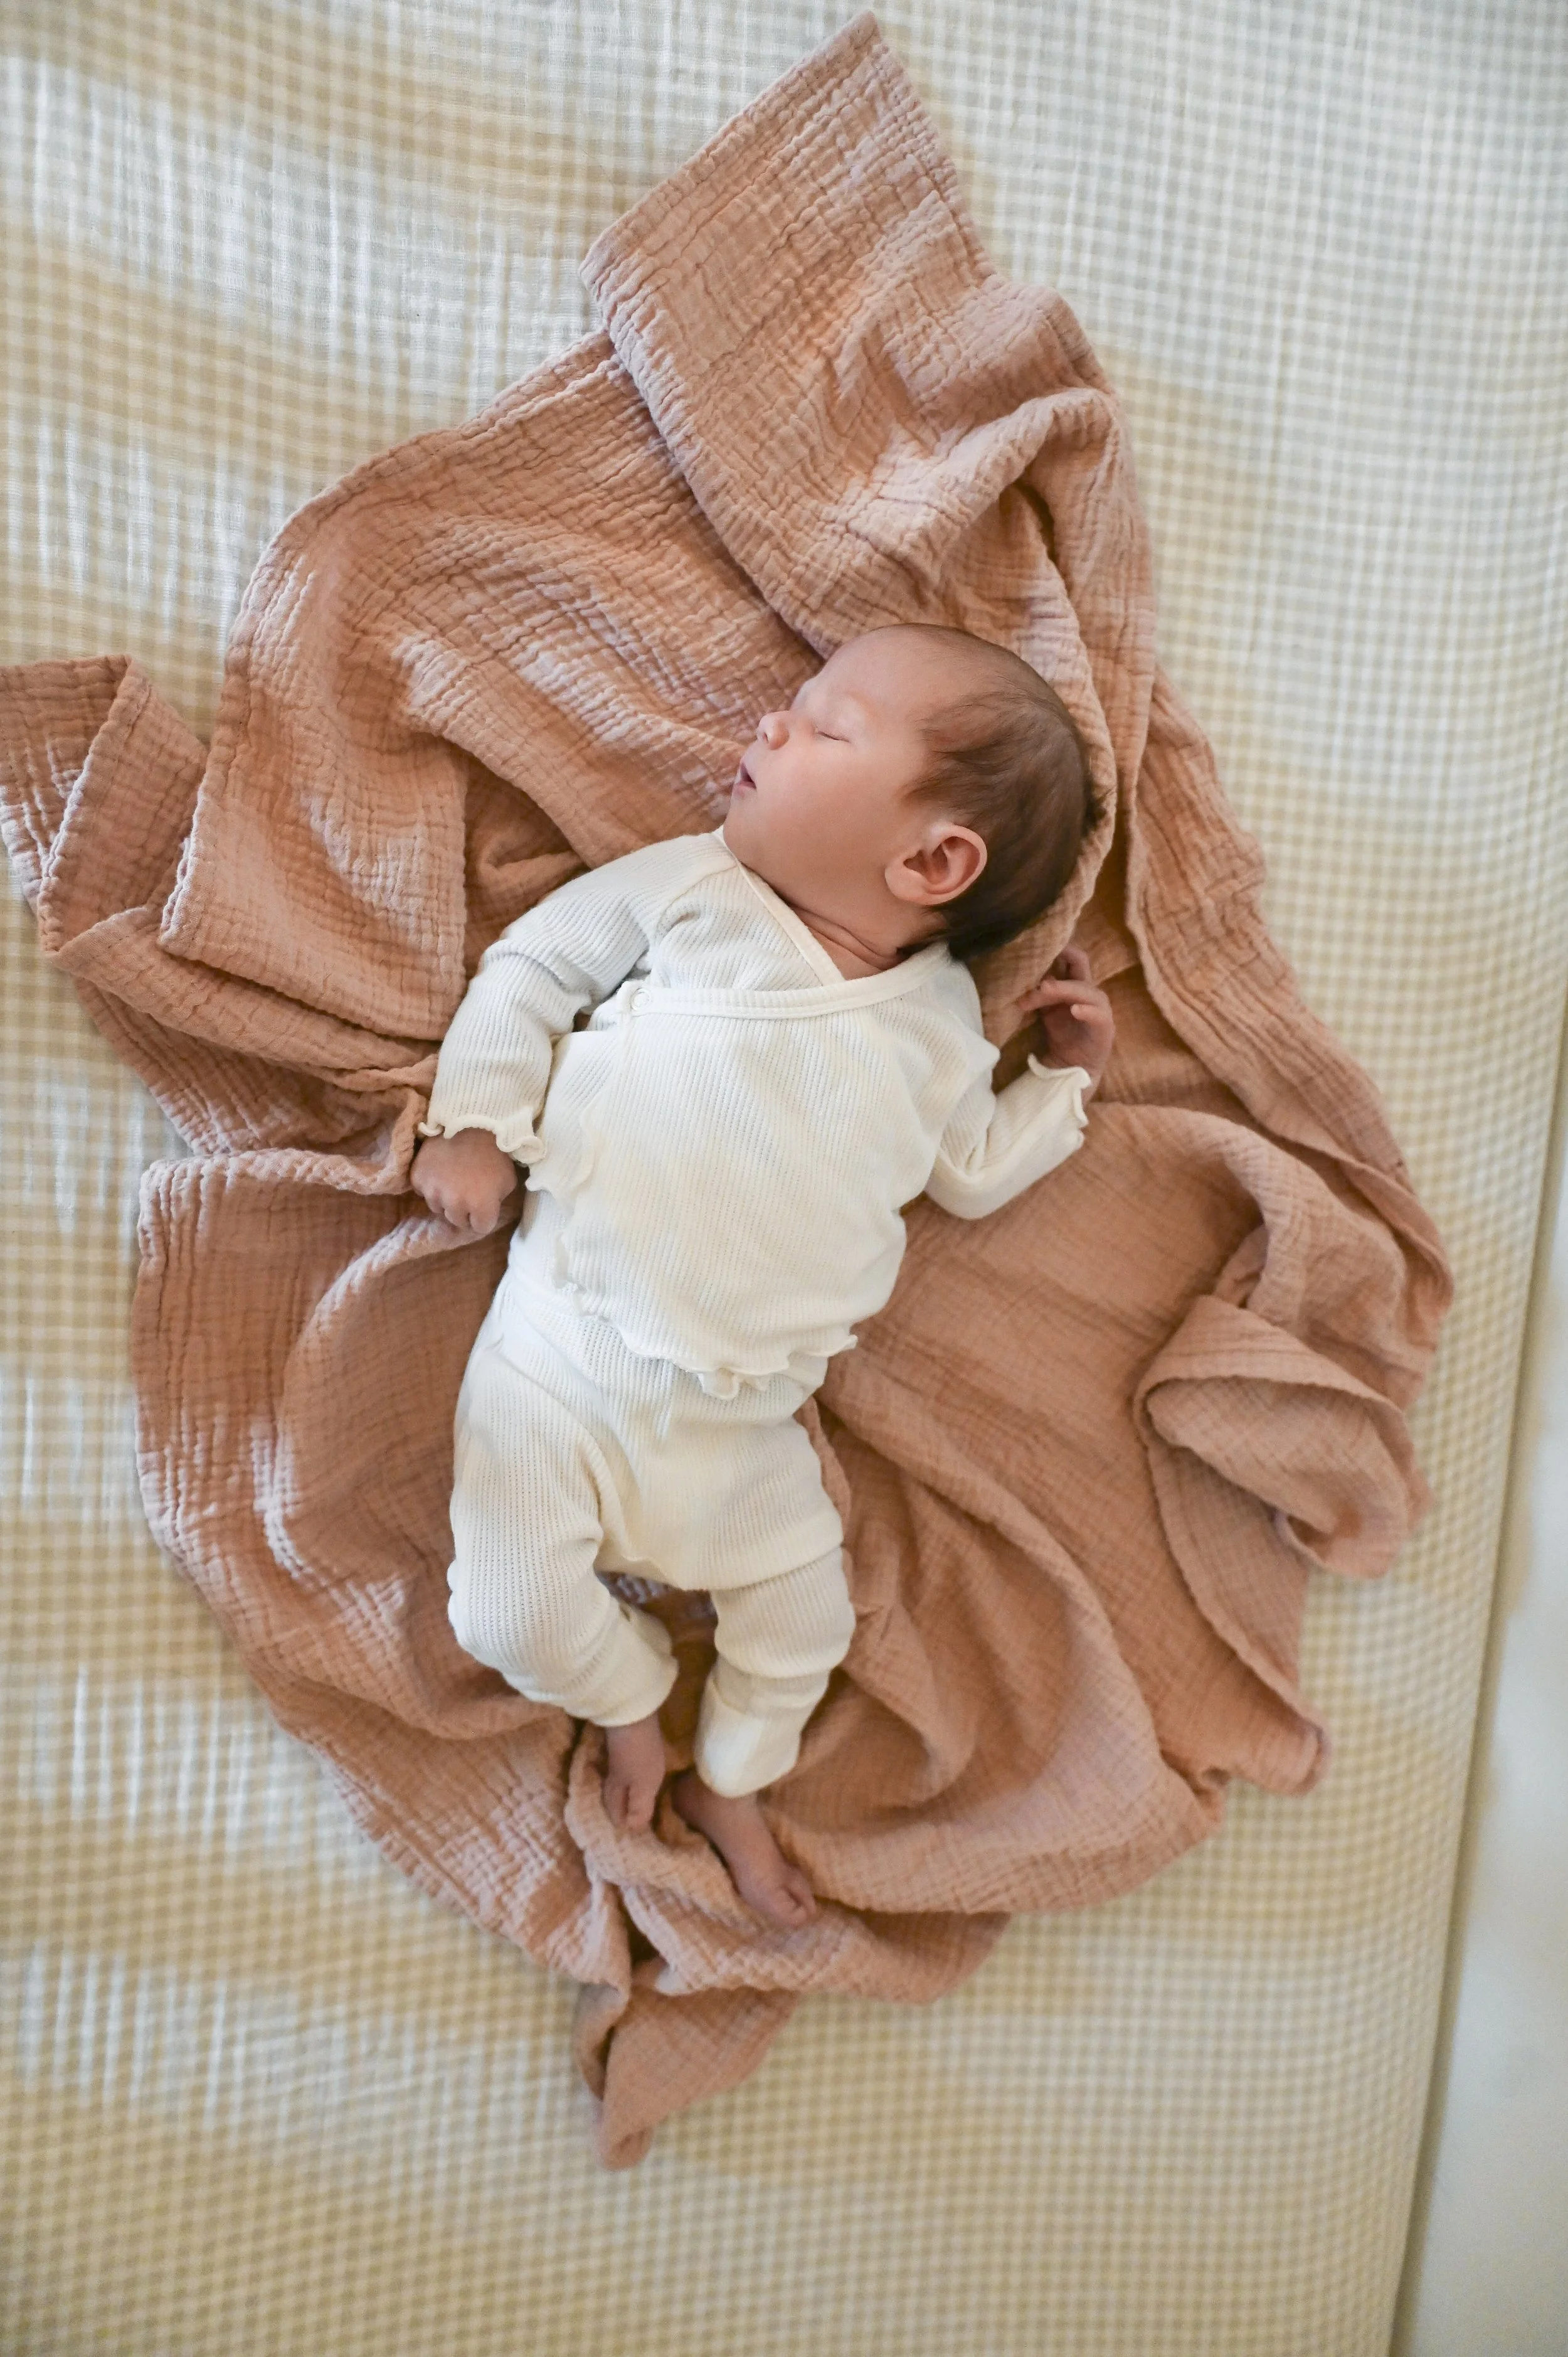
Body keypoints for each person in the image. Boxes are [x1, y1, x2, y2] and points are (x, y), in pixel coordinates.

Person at [411, 624, 1116, 1927]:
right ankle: (626, 1703)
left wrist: (1059, 1082)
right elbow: (533, 971)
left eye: (824, 726)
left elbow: (965, 1173)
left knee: (804, 1626)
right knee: (505, 1613)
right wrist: (473, 1124)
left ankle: (732, 1778)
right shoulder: (690, 891)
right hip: (562, 1365)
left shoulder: (940, 1026)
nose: (768, 728)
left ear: (932, 860)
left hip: (744, 1432)